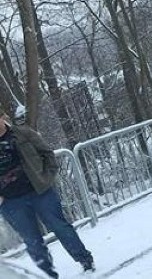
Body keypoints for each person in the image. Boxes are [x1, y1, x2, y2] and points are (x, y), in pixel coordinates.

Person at [0, 112, 93, 278]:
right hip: (10, 202)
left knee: (60, 227)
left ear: (3, 117)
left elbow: (47, 153)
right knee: (32, 241)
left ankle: (85, 260)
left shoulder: (23, 133)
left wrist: (46, 177)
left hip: (40, 192)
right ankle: (49, 274)